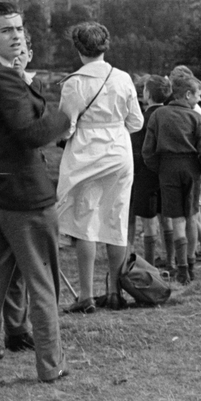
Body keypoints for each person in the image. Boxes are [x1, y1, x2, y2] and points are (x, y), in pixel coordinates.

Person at [0, 2, 71, 391]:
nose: (17, 35)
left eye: (19, 29)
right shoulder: (2, 80)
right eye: (7, 30)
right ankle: (50, 367)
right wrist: (65, 116)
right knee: (42, 283)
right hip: (24, 196)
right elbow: (31, 133)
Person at [56, 22, 143, 312]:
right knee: (116, 220)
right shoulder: (123, 78)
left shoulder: (74, 82)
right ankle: (116, 292)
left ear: (78, 48)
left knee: (85, 225)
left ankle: (85, 296)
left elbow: (66, 127)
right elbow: (136, 122)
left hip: (85, 153)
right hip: (118, 150)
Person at [141, 74, 201, 284]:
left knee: (175, 218)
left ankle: (181, 267)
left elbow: (148, 150)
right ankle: (191, 263)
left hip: (167, 169)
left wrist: (160, 168)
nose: (199, 100)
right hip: (191, 168)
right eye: (198, 95)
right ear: (188, 94)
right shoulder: (196, 118)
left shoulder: (159, 115)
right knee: (192, 215)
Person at [169, 65, 201, 263]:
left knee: (191, 213)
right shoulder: (192, 109)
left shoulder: (195, 111)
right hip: (194, 167)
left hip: (191, 168)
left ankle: (198, 250)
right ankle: (195, 252)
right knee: (193, 213)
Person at [129, 75, 172, 265]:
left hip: (145, 174)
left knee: (148, 221)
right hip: (166, 173)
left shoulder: (141, 120)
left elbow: (136, 149)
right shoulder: (172, 115)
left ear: (148, 93)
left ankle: (149, 264)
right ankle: (171, 259)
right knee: (166, 218)